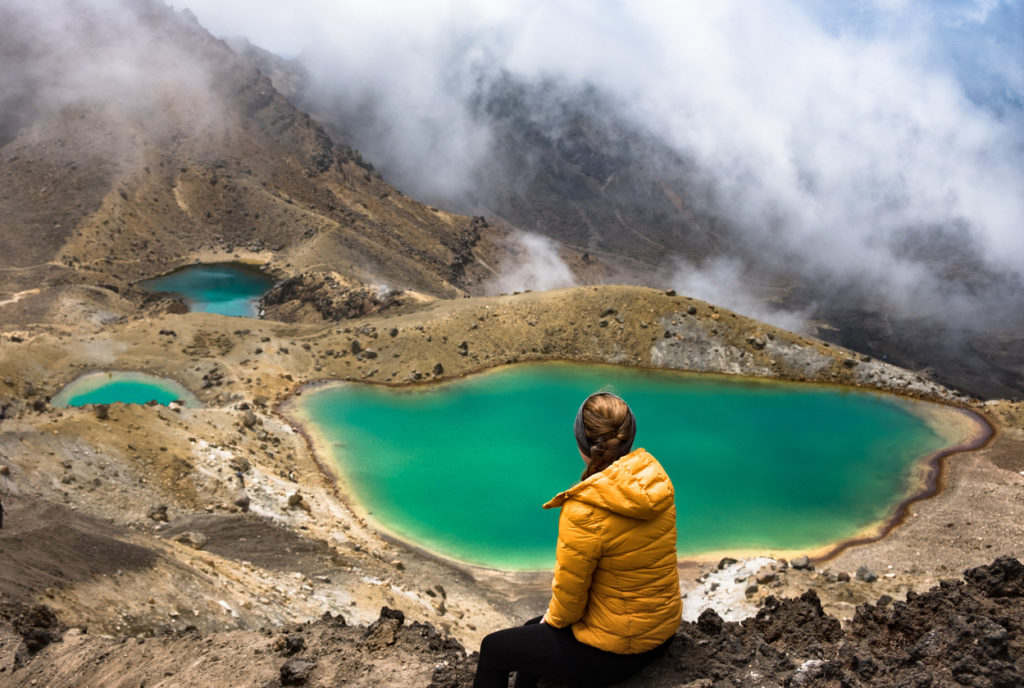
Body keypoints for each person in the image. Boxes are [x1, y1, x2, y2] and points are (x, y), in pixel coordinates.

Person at [473, 392, 681, 688]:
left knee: (494, 649)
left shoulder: (584, 509)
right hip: (661, 632)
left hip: (619, 650)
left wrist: (552, 619)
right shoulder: (655, 482)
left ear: (583, 444)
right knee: (532, 630)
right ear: (628, 437)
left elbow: (568, 605)